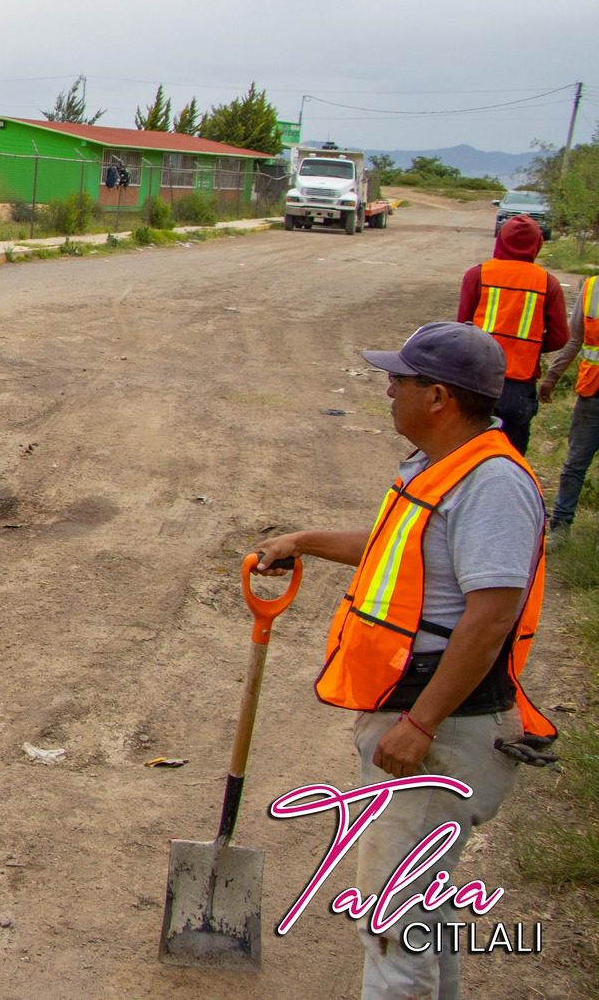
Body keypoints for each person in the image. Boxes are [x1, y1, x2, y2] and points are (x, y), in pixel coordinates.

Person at [255, 322, 555, 1000]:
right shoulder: (443, 466)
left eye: (401, 378)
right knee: (423, 919)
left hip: (441, 734)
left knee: (393, 923)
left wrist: (420, 722)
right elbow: (396, 545)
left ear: (440, 396)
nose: (388, 387)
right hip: (422, 720)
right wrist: (303, 539)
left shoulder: (492, 483)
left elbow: (492, 614)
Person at [456, 214, 565, 454]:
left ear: (500, 240)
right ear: (537, 244)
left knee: (467, 453)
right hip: (519, 386)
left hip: (476, 379)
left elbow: (462, 327)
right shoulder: (548, 283)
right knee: (510, 457)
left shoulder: (477, 274)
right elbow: (560, 337)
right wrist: (530, 345)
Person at [536, 269, 599, 549]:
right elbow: (576, 339)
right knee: (575, 464)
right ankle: (561, 527)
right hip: (592, 393)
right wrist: (552, 377)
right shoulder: (593, 289)